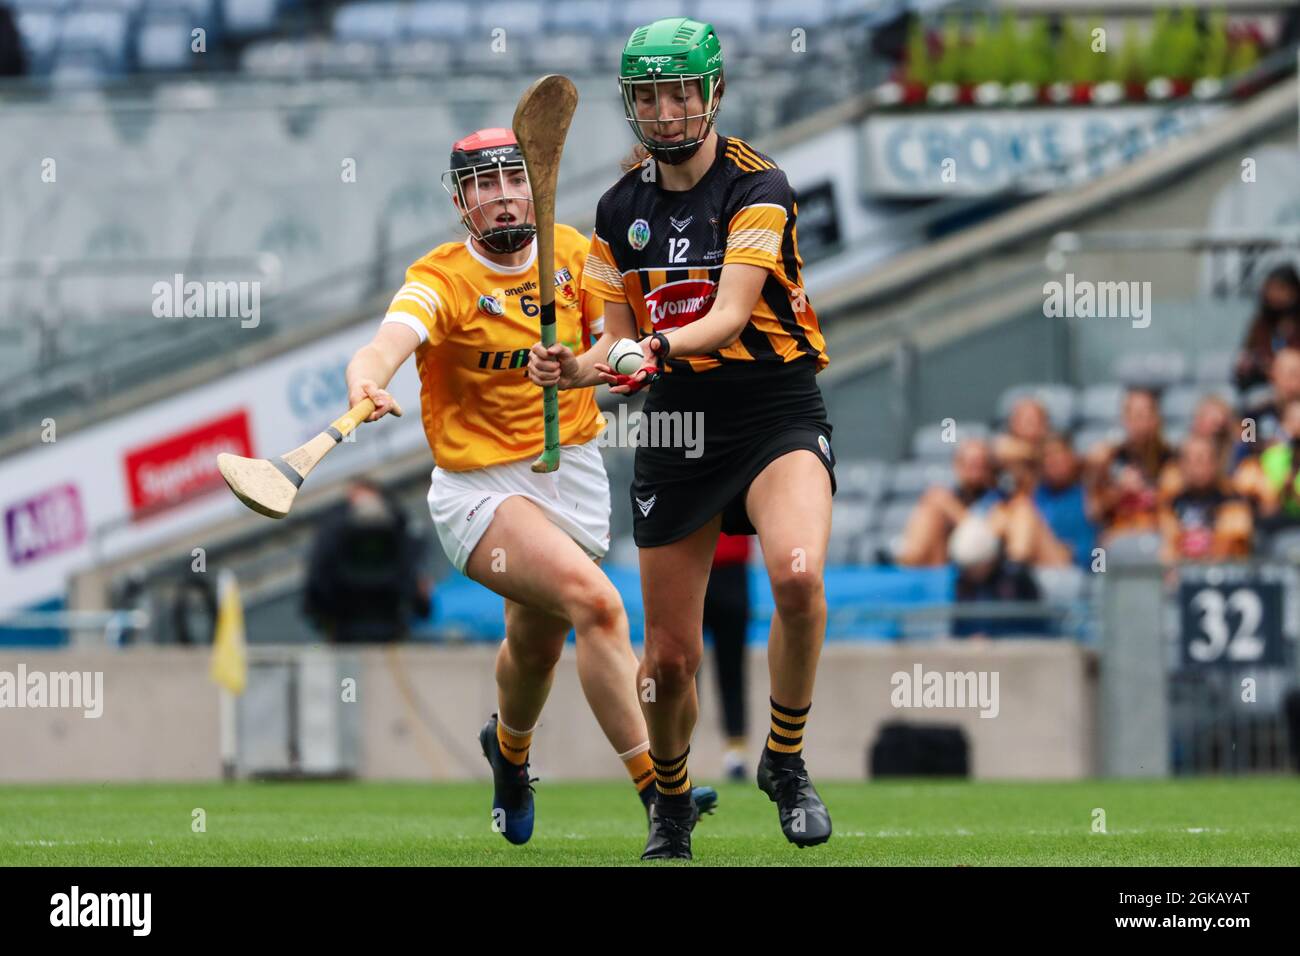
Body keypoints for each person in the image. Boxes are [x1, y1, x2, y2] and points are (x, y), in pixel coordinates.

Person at [343, 128, 714, 847]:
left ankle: (508, 756)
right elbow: (389, 341)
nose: (502, 193)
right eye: (482, 185)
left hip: (566, 469)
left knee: (536, 646)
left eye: (513, 178)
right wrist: (367, 379)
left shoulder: (576, 255)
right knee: (599, 606)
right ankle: (661, 794)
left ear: (534, 186)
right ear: (460, 203)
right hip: (478, 489)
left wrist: (589, 365)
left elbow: (618, 350)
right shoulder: (443, 278)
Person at [528, 17, 834, 860]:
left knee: (799, 582)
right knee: (666, 658)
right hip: (676, 424)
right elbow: (616, 344)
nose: (666, 113)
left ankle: (785, 759)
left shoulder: (757, 186)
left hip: (775, 408)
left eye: (680, 93)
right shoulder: (616, 210)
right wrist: (575, 368)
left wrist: (650, 348)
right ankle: (668, 802)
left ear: (713, 94)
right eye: (650, 97)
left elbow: (730, 314)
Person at [303, 478, 430, 643]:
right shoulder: (399, 526)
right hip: (374, 622)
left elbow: (317, 581)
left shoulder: (332, 530)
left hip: (353, 624)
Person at [1086, 387, 1178, 543]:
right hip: (1117, 533)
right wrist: (1119, 491)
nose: (1137, 421)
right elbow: (1093, 511)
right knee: (1098, 551)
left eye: (1143, 415)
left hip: (1155, 533)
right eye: (1132, 415)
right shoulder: (1110, 457)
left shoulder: (1171, 458)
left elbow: (1178, 505)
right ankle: (1099, 568)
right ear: (1124, 419)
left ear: (1155, 419)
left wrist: (1152, 494)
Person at [1159, 435, 1253, 563]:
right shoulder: (1171, 504)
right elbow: (1168, 548)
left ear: (1215, 463)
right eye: (1188, 460)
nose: (1195, 467)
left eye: (1201, 459)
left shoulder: (1233, 502)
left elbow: (1232, 547)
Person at [703, 532, 751, 780]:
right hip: (685, 561)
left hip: (731, 571)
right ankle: (672, 752)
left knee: (732, 669)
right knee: (678, 667)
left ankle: (736, 752)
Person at [1031, 434, 1097, 568]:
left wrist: (1099, 571)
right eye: (1047, 456)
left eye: (1060, 454)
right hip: (1039, 569)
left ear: (1072, 459)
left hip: (1083, 570)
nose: (1054, 461)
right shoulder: (1033, 497)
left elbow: (1101, 547)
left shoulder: (1090, 493)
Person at [1234, 264, 1300, 392]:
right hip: (1263, 385)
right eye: (1270, 289)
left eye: (1280, 289)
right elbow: (1249, 352)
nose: (1274, 295)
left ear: (1294, 292)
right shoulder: (1261, 324)